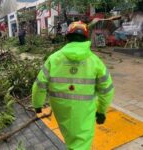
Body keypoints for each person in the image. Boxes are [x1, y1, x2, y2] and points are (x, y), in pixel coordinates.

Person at [32, 21, 114, 150]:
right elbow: (107, 89)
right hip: (84, 110)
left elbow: (39, 85)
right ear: (86, 38)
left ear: (67, 38)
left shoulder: (53, 59)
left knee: (70, 137)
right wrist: (101, 111)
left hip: (60, 108)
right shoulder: (95, 61)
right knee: (81, 142)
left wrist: (37, 105)